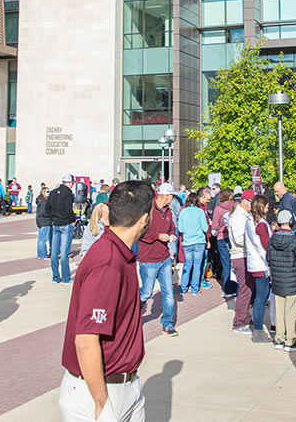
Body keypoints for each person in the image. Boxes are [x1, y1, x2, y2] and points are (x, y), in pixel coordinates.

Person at [59, 181, 154, 422]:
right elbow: (86, 340)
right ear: (144, 219)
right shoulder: (108, 262)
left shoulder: (119, 253)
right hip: (100, 391)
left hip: (125, 384)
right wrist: (101, 400)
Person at [138, 183, 178, 336]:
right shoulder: (147, 210)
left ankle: (167, 324)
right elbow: (140, 232)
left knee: (168, 292)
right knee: (146, 292)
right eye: (172, 196)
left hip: (164, 258)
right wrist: (157, 236)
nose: (173, 198)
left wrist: (172, 234)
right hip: (148, 258)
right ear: (166, 196)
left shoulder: (168, 211)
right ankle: (133, 315)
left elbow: (171, 227)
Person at [267, 209, 296, 351]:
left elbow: (268, 259)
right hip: (292, 281)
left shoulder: (273, 240)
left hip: (278, 280)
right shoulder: (295, 240)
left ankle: (279, 337)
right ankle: (290, 339)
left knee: (280, 310)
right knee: (291, 311)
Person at [246, 195, 273, 343]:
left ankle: (257, 327)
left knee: (259, 298)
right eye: (267, 206)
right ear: (261, 207)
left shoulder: (250, 221)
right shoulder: (261, 224)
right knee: (261, 298)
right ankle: (258, 330)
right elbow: (265, 246)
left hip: (254, 263)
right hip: (261, 264)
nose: (268, 209)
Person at [228, 189, 255, 334]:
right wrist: (254, 242)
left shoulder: (243, 215)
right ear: (245, 201)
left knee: (247, 289)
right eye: (252, 203)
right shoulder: (239, 216)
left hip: (244, 255)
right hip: (241, 255)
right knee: (245, 290)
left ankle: (244, 316)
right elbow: (239, 239)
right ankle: (239, 322)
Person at [48, 174, 78, 284]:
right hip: (65, 223)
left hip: (56, 223)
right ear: (69, 183)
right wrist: (73, 218)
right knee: (64, 253)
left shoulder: (53, 192)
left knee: (54, 252)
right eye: (72, 183)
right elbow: (68, 209)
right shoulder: (68, 194)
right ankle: (65, 277)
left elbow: (48, 207)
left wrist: (53, 218)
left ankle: (55, 276)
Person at [177, 192, 208, 296]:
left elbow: (180, 229)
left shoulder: (183, 212)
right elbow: (205, 228)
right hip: (199, 241)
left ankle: (183, 288)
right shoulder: (200, 212)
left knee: (187, 264)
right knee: (197, 265)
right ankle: (194, 289)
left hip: (187, 241)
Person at [211, 188, 235, 298]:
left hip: (221, 236)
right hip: (233, 237)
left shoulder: (218, 209)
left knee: (226, 264)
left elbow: (215, 225)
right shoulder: (235, 207)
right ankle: (235, 286)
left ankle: (228, 288)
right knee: (234, 263)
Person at [36, 186, 52, 260]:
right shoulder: (44, 202)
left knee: (41, 239)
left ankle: (40, 254)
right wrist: (50, 215)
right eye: (47, 192)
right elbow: (43, 212)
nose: (49, 193)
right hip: (45, 222)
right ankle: (43, 254)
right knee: (43, 239)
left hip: (41, 221)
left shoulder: (42, 201)